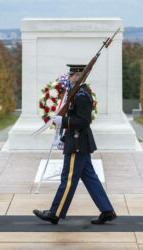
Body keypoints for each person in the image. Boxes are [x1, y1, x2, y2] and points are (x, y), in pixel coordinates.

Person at [33, 64, 116, 225]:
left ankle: (55, 213)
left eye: (71, 76)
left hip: (78, 143)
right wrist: (63, 139)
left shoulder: (81, 95)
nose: (69, 78)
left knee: (68, 179)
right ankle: (107, 211)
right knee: (90, 177)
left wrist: (62, 121)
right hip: (77, 141)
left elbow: (83, 121)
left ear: (78, 77)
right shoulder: (76, 93)